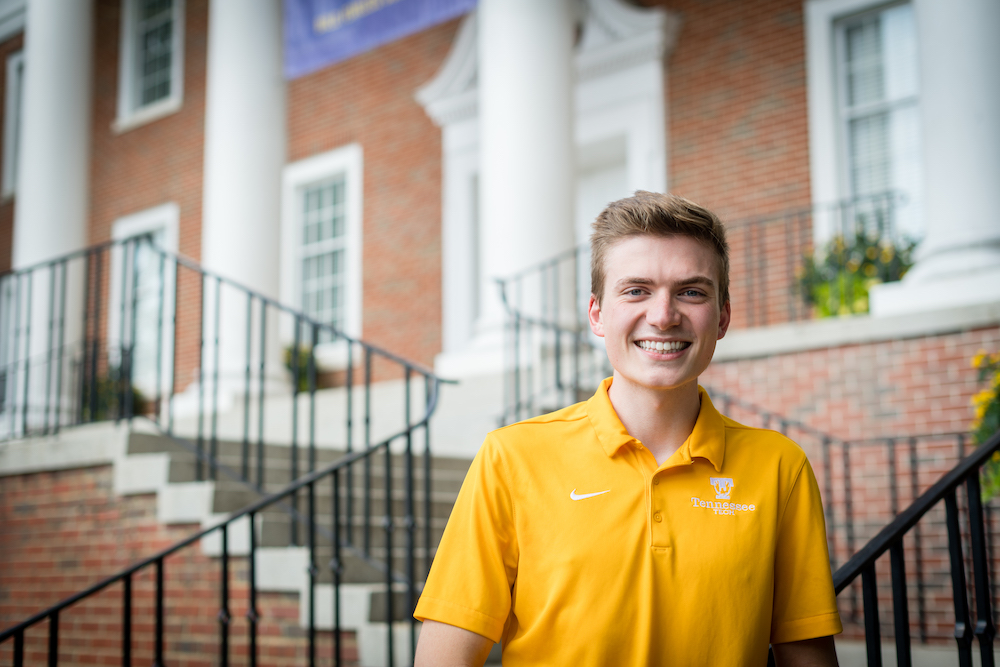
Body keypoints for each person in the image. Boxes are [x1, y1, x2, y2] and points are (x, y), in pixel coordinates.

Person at [413, 192, 842, 666]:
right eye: (636, 290)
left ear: (721, 317)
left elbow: (808, 659)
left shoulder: (780, 467)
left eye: (692, 292)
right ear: (597, 314)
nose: (663, 315)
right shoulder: (512, 457)